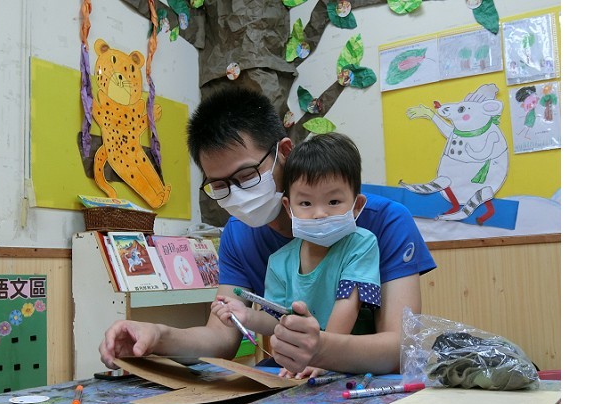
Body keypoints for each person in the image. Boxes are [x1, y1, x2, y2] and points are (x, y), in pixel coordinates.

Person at [99, 87, 436, 375]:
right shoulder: (238, 235)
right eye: (220, 186)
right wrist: (159, 336)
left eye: (247, 176)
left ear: (284, 153)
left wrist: (321, 349)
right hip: (291, 382)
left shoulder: (385, 221)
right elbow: (222, 337)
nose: (237, 195)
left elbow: (399, 348)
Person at [212, 133, 381, 379]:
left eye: (334, 201)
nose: (319, 213)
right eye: (306, 204)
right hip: (305, 368)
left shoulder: (361, 244)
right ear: (288, 208)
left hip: (351, 369)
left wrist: (323, 354)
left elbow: (349, 303)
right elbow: (277, 320)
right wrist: (246, 316)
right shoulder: (279, 261)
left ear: (357, 206)